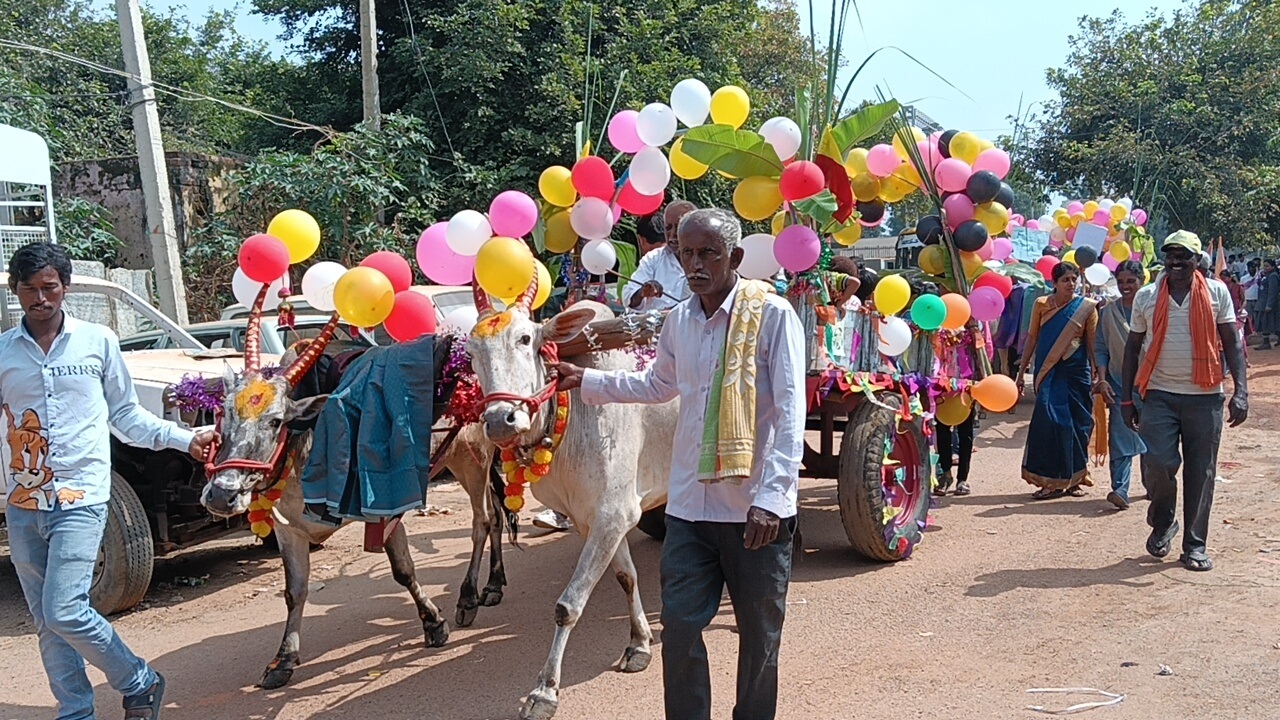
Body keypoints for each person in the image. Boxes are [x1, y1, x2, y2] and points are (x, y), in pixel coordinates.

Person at [555, 208, 804, 720]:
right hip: (689, 509)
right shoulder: (680, 320)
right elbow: (659, 385)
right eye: (686, 253)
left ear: (735, 257)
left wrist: (772, 498)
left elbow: (789, 412)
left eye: (708, 253)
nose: (695, 264)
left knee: (760, 635)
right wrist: (588, 381)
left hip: (754, 511)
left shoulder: (773, 315)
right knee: (682, 627)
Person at [1, 242, 216, 719]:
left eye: (49, 287)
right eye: (30, 289)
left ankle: (139, 680)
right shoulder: (3, 353)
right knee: (46, 621)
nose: (40, 298)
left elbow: (126, 415)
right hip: (24, 501)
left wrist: (185, 440)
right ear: (16, 291)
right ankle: (76, 712)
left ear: (65, 287)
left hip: (82, 495)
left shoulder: (97, 342)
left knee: (65, 609)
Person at [1120, 230, 1248, 572]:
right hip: (1158, 394)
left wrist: (1241, 391)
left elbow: (1232, 343)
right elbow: (1132, 348)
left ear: (1197, 260)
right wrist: (1126, 400)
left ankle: (1194, 545)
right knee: (1157, 464)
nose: (1176, 261)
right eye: (1171, 254)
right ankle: (1163, 523)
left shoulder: (1217, 292)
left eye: (1183, 255)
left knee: (1200, 472)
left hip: (1205, 398)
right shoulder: (1147, 296)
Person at [1017, 261, 1099, 499]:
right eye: (1065, 280)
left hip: (1077, 374)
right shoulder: (1042, 305)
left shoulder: (1086, 308)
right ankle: (1050, 481)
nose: (1071, 284)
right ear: (1054, 283)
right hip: (1049, 372)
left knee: (1079, 425)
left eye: (1074, 279)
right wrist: (1021, 372)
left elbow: (1093, 344)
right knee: (1050, 423)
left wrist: (1098, 374)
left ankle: (1075, 479)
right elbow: (1032, 338)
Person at [1093, 260, 1149, 509]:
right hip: (1118, 383)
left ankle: (1153, 485)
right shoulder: (1108, 313)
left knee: (1153, 437)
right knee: (1120, 437)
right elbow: (1101, 348)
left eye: (1131, 281)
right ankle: (1120, 489)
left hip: (1152, 383)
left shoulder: (1153, 309)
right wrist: (1102, 379)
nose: (1126, 286)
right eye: (1121, 281)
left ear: (1142, 281)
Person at [622, 200, 696, 312]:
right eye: (668, 228)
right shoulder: (653, 259)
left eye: (678, 227)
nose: (672, 234)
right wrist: (642, 292)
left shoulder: (707, 260)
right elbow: (629, 297)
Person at [1255, 259, 1279, 349]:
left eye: (1267, 266)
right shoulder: (1265, 275)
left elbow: (1273, 291)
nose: (1265, 268)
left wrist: (1269, 304)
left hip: (1267, 303)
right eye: (1264, 266)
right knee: (1265, 322)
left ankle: (1266, 343)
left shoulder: (1273, 276)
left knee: (1267, 323)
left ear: (1273, 267)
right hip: (1262, 302)